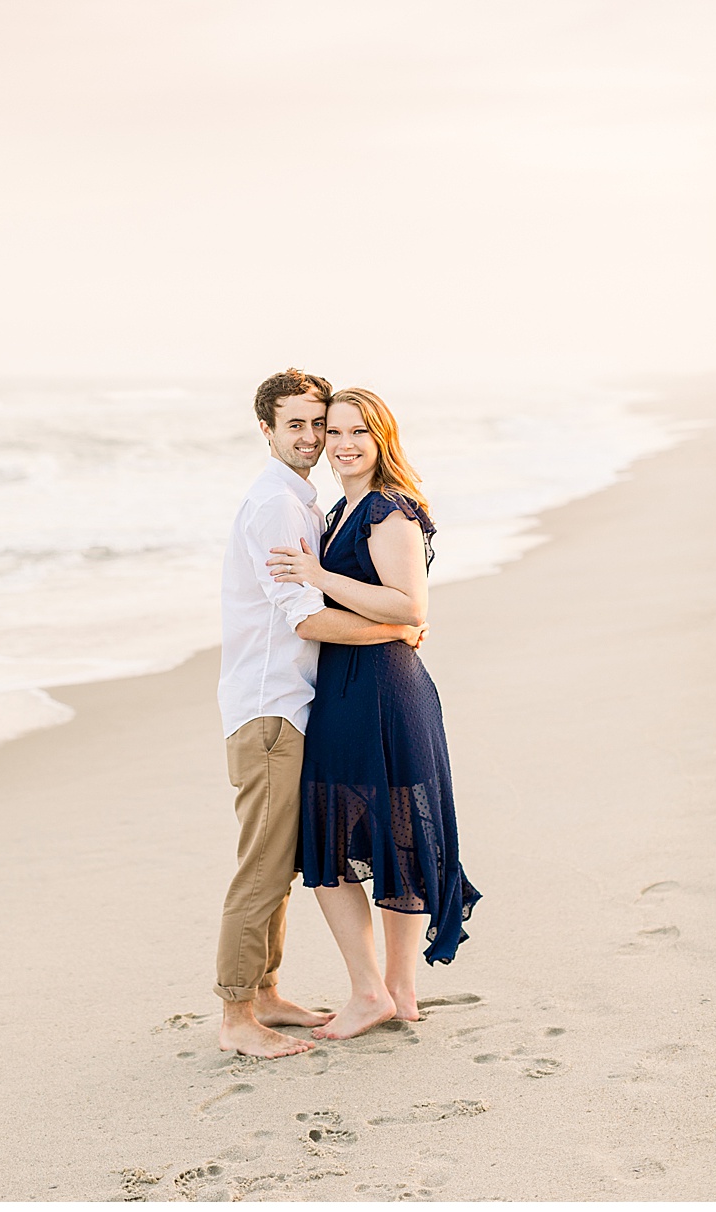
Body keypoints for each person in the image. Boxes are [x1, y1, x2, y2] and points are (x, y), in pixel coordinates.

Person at [215, 369, 430, 1058]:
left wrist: (400, 619)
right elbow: (307, 620)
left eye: (323, 424)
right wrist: (397, 627)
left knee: (280, 861)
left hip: (296, 705)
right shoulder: (279, 506)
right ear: (267, 430)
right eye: (300, 425)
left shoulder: (312, 504)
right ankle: (237, 1016)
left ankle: (266, 993)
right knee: (264, 866)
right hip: (271, 708)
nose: (314, 438)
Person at [268, 387, 482, 1040]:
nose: (343, 443)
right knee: (373, 836)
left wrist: (318, 576)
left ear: (381, 436)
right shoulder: (342, 509)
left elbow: (409, 606)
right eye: (333, 431)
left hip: (380, 691)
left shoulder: (389, 508)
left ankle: (380, 992)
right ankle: (393, 992)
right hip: (355, 683)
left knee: (346, 838)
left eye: (358, 431)